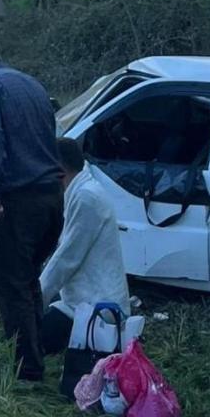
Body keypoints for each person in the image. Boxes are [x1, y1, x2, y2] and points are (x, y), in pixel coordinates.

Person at [0, 40, 64, 382]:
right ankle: (38, 349)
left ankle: (27, 372)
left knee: (7, 283)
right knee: (27, 279)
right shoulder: (30, 83)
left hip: (16, 200)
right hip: (51, 196)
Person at [38, 138, 130, 355]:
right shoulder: (82, 189)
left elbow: (67, 258)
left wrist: (36, 297)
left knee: (31, 338)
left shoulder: (87, 197)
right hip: (84, 296)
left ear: (59, 169)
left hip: (99, 305)